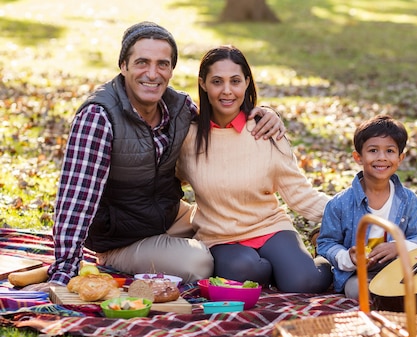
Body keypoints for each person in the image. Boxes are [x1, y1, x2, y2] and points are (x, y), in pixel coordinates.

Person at [44, 22, 285, 288]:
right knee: (199, 263)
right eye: (142, 62)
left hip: (168, 217)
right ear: (123, 66)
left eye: (162, 64)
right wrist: (64, 270)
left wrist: (261, 114)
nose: (152, 73)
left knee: (227, 225)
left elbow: (222, 125)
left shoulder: (179, 108)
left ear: (171, 69)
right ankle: (118, 260)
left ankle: (274, 260)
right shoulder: (99, 117)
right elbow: (76, 198)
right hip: (121, 238)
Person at [176, 45, 333, 293]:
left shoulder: (266, 131)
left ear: (247, 83)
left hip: (270, 228)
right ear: (203, 84)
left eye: (235, 81)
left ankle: (319, 254)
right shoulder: (188, 137)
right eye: (217, 81)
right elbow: (167, 184)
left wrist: (355, 213)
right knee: (246, 271)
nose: (227, 91)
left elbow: (300, 194)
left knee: (305, 283)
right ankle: (278, 269)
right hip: (221, 238)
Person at [316, 114, 417, 299]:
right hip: (359, 275)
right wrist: (348, 257)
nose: (382, 157)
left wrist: (399, 247)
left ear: (400, 158)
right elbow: (326, 244)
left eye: (390, 151)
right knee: (357, 291)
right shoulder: (339, 204)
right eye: (373, 150)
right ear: (358, 157)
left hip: (399, 271)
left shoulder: (409, 200)